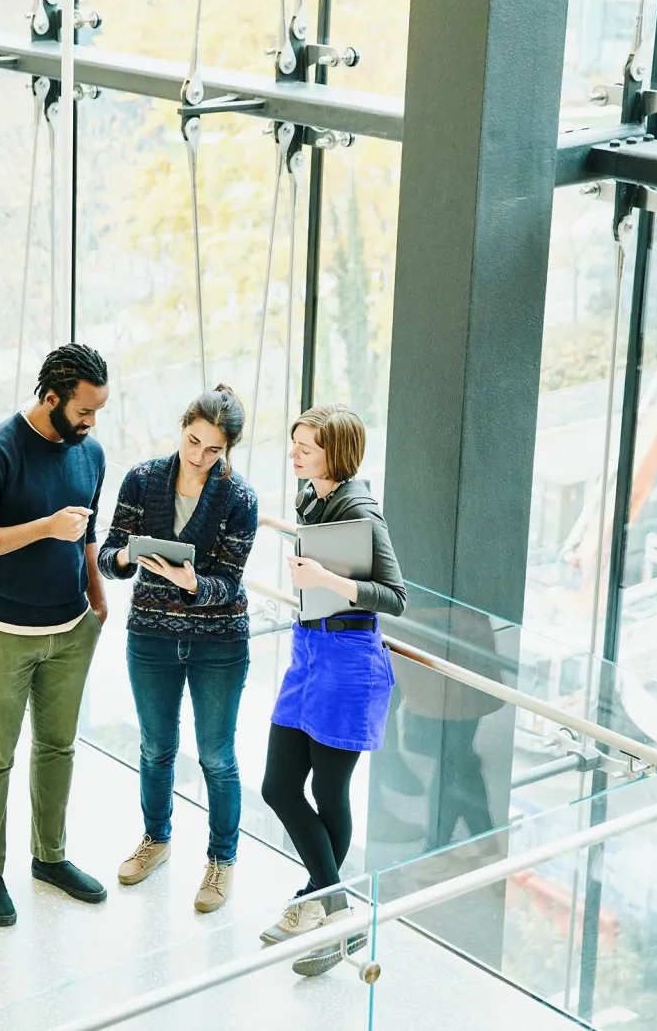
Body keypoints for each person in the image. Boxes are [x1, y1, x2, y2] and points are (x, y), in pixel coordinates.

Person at [0, 344, 111, 928]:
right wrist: (45, 528)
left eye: (98, 412)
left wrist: (96, 592)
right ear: (51, 399)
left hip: (71, 629)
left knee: (59, 748)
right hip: (3, 632)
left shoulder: (90, 453)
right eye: (85, 411)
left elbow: (88, 533)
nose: (92, 423)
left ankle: (51, 858)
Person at [256, 404, 406, 977]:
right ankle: (333, 902)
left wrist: (323, 579)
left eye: (307, 448)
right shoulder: (312, 498)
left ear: (336, 455)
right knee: (277, 785)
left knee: (330, 789)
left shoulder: (360, 508)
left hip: (347, 660)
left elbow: (394, 597)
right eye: (294, 443)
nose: (294, 454)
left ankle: (321, 904)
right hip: (310, 652)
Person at [97, 385, 258, 914]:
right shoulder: (143, 480)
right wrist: (126, 561)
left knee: (216, 755)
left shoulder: (241, 499)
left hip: (219, 644)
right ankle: (156, 839)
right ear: (183, 426)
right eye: (193, 441)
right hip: (152, 637)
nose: (199, 456)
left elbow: (231, 583)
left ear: (227, 449)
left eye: (214, 450)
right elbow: (109, 552)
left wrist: (193, 585)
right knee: (155, 747)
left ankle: (221, 860)